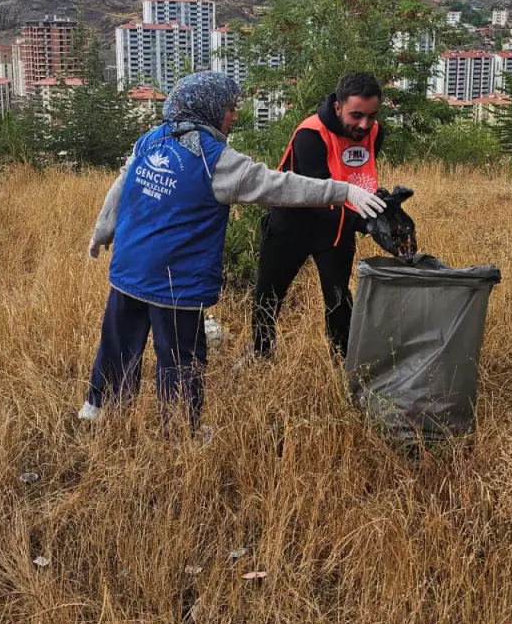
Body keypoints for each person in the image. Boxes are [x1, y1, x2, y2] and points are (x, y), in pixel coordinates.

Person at [81, 71, 384, 435]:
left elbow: (121, 187)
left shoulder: (149, 140)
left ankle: (98, 409)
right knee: (180, 357)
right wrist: (344, 192)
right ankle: (182, 435)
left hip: (129, 268)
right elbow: (279, 186)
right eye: (229, 108)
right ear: (208, 109)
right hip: (175, 280)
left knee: (117, 341)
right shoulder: (216, 161)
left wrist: (101, 233)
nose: (234, 116)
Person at [251, 71, 385, 360]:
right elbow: (313, 197)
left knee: (338, 299)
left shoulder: (375, 132)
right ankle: (260, 356)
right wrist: (366, 223)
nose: (364, 125)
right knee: (268, 295)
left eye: (371, 116)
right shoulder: (310, 135)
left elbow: (361, 179)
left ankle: (342, 362)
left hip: (336, 229)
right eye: (356, 115)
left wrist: (386, 212)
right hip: (291, 223)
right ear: (338, 107)